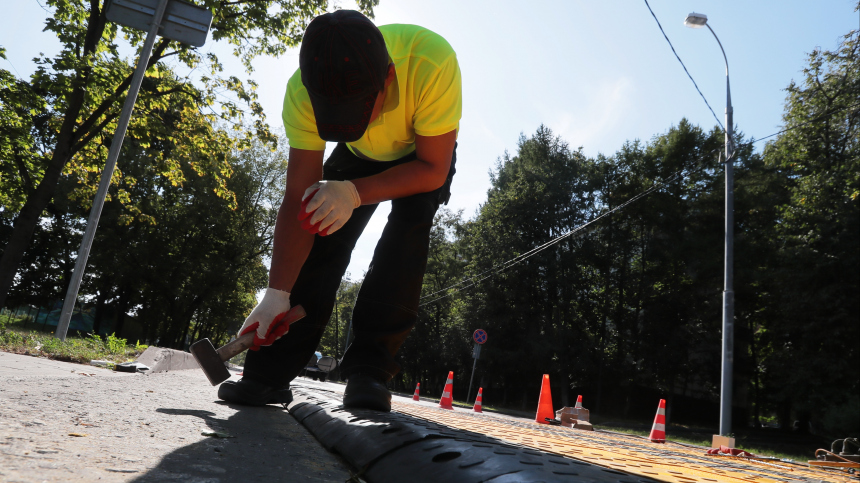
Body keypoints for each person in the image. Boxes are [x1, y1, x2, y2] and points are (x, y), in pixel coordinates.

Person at [217, 9, 461, 412]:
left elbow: (433, 168)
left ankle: (369, 370)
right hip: (357, 158)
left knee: (405, 237)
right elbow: (299, 196)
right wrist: (276, 293)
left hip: (421, 155)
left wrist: (353, 192)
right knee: (320, 229)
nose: (356, 124)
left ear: (387, 77)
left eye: (359, 112)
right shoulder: (302, 91)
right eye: (337, 117)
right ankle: (269, 374)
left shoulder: (431, 63)